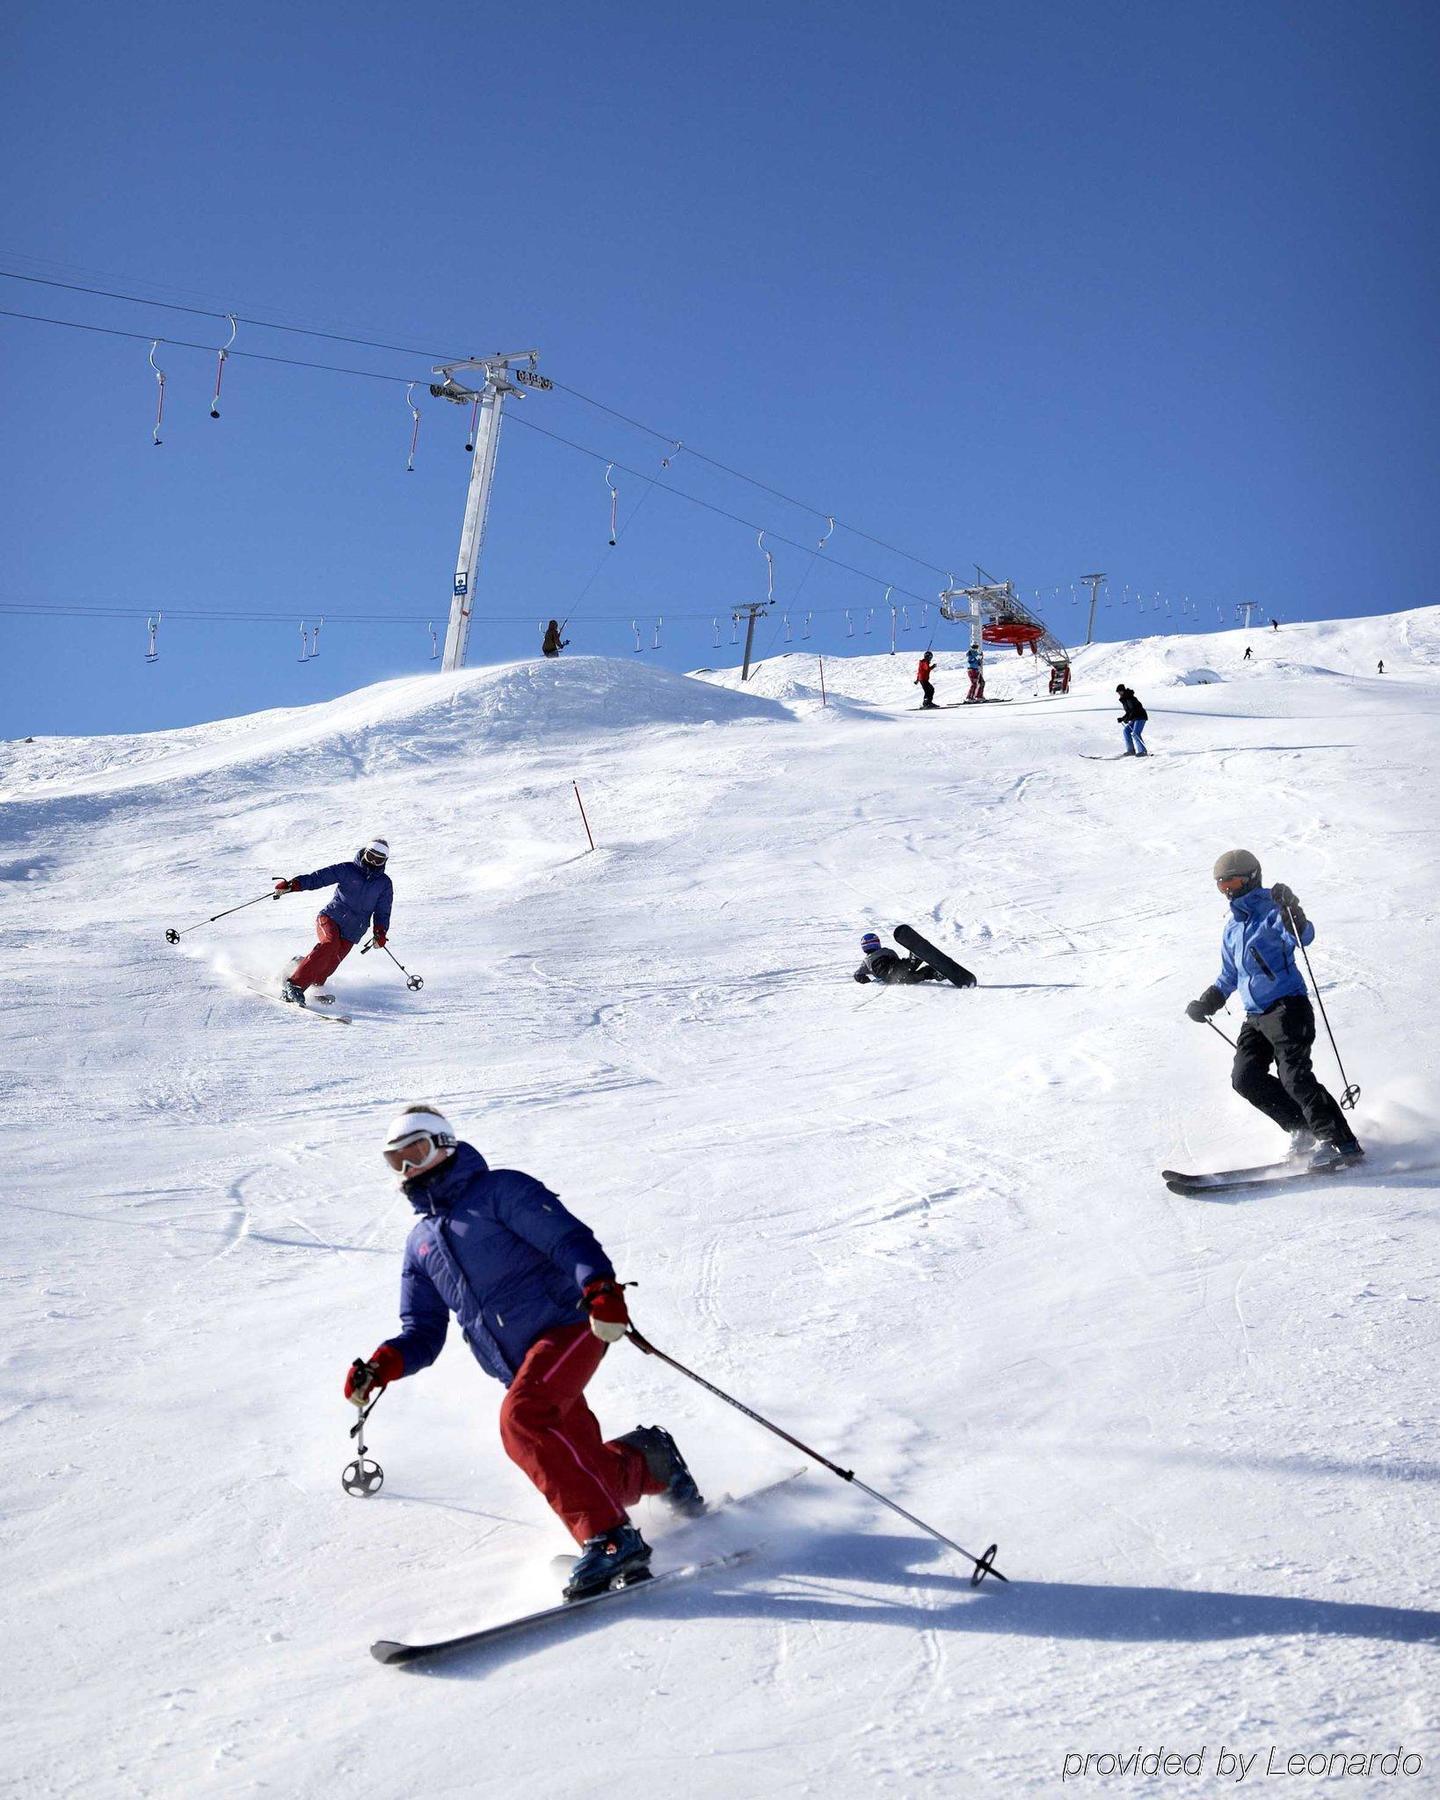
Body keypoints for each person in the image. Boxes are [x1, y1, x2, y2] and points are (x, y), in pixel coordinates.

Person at [345, 1105, 702, 1599]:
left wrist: (601, 1289)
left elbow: (568, 1241)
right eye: (396, 1161)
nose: (409, 1169)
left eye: (417, 1152)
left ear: (444, 1144)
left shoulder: (500, 1192)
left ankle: (611, 1541)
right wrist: (383, 1365)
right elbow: (423, 1332)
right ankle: (651, 1462)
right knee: (583, 1467)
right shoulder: (420, 1244)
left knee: (523, 1419)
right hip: (517, 1365)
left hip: (571, 1325)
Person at [1184, 851, 1363, 1169]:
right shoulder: (1232, 928)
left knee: (1294, 1077)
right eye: (1221, 885)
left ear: (1251, 878)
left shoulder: (1272, 909)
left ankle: (1340, 1142)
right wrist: (1208, 1001)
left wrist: (1292, 909)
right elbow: (1229, 975)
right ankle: (1302, 1127)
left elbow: (1302, 936)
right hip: (1255, 1017)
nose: (1227, 890)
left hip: (1287, 1008)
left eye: (1233, 881)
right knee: (1245, 1077)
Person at [274, 839, 393, 1005]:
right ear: (365, 853)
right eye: (370, 856)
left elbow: (382, 911)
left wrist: (380, 932)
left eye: (378, 859)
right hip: (331, 918)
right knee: (330, 944)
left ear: (384, 862)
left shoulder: (384, 884)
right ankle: (294, 985)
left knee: (327, 967)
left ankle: (302, 968)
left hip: (352, 931)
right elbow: (318, 878)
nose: (372, 862)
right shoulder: (347, 869)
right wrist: (293, 884)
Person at [853, 931, 942, 985]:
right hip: (895, 971)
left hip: (893, 980)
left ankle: (935, 973)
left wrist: (867, 981)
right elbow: (896, 958)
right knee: (907, 965)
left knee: (918, 976)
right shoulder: (886, 951)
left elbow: (857, 975)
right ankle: (916, 959)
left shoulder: (866, 962)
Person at [1115, 684, 1148, 756]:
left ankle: (1143, 751)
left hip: (1140, 716)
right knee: (1126, 731)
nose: (1119, 693)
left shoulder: (1130, 698)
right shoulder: (1125, 700)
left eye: (1120, 692)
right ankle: (1131, 751)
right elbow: (1128, 712)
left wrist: (1127, 718)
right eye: (1118, 692)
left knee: (1136, 733)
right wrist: (1122, 718)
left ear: (1123, 691)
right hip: (1134, 718)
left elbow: (1134, 710)